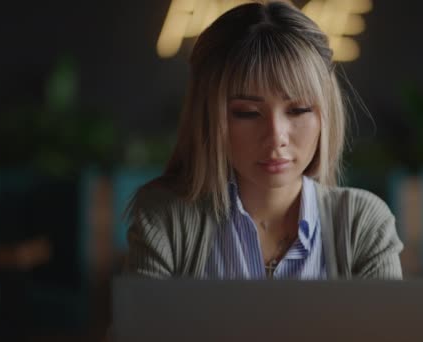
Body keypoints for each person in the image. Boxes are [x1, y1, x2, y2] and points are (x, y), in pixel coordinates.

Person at [125, 1, 403, 280]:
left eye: (298, 110)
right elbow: (138, 325)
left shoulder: (363, 224)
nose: (276, 137)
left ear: (325, 114)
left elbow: (392, 325)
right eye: (247, 113)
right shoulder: (166, 218)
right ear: (209, 118)